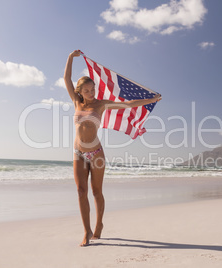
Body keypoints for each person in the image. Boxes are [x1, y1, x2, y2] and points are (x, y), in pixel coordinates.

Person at [64, 50, 161, 246]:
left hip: (96, 153)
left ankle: (99, 224)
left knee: (96, 191)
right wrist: (70, 57)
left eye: (93, 89)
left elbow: (129, 104)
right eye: (87, 91)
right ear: (79, 92)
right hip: (78, 153)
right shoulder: (76, 102)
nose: (92, 93)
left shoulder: (101, 104)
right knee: (81, 192)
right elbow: (66, 78)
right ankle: (86, 230)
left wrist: (151, 100)